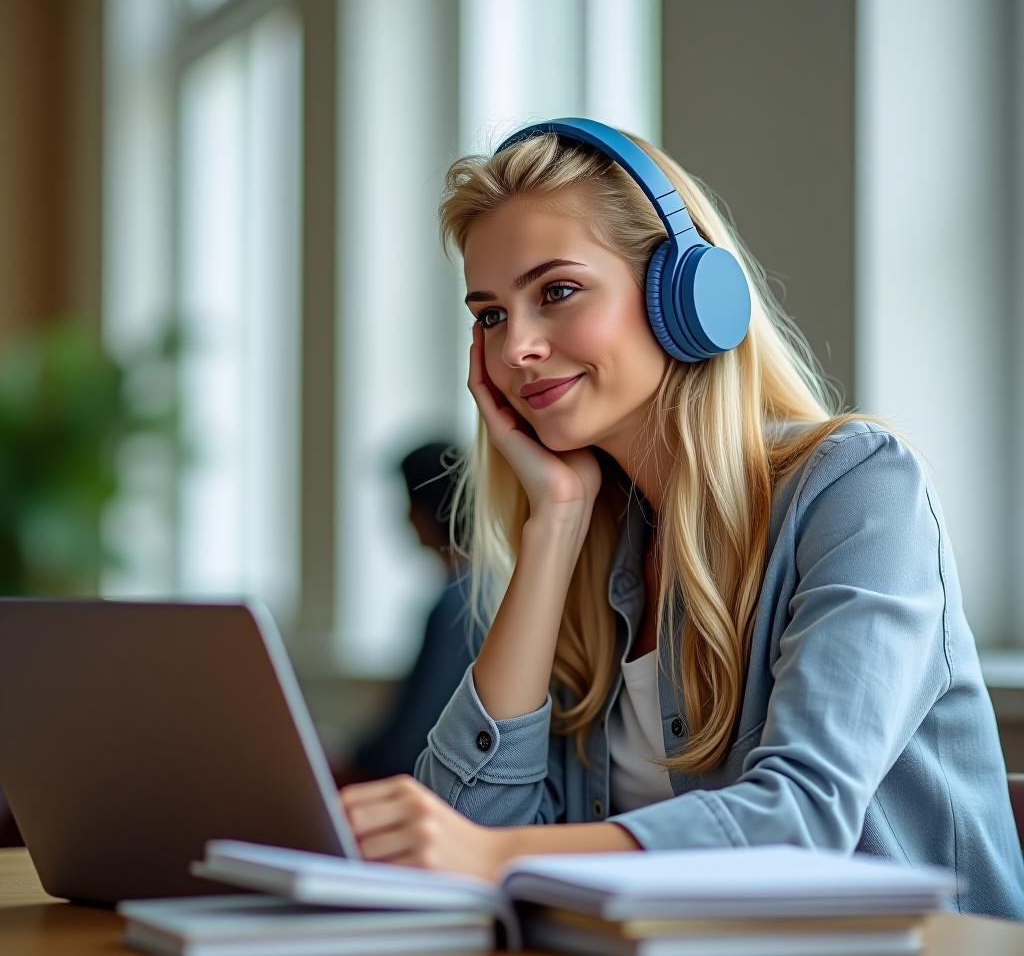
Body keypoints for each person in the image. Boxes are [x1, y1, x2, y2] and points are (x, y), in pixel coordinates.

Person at [339, 119, 1024, 919]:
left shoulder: (859, 487)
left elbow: (801, 821)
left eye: (556, 292)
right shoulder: (594, 546)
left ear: (686, 295)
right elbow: (455, 839)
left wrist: (496, 856)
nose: (516, 346)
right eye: (490, 314)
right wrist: (554, 523)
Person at [334, 440, 475, 786]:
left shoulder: (456, 606)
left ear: (427, 510)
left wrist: (345, 759)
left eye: (408, 503)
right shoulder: (481, 592)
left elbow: (408, 741)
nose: (404, 518)